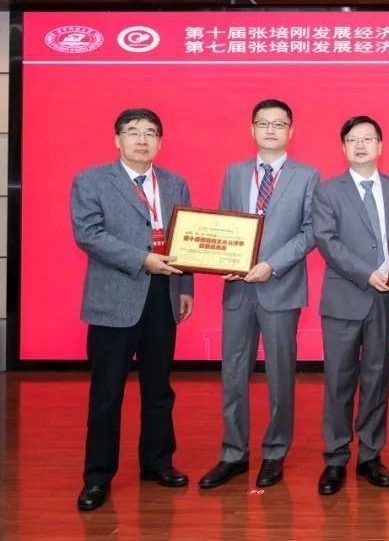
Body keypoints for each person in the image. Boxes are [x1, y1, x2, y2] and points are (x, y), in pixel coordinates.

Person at [71, 108, 194, 511]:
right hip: (114, 298)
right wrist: (142, 259)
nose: (142, 140)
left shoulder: (175, 183)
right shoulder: (91, 180)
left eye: (150, 133)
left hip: (164, 295)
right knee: (107, 393)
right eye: (133, 132)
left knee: (159, 388)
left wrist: (185, 286)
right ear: (117, 140)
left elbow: (186, 237)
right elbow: (89, 234)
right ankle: (97, 477)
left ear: (160, 141)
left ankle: (157, 463)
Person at [198, 99, 319, 490]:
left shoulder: (308, 176)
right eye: (263, 123)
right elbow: (223, 224)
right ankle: (233, 453)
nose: (270, 130)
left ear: (291, 131)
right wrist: (222, 260)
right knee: (233, 373)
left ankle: (274, 451)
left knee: (280, 374)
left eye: (279, 124)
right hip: (237, 288)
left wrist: (272, 264)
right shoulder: (235, 173)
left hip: (279, 285)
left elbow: (310, 232)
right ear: (251, 129)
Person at [312, 116, 389, 495]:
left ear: (380, 146)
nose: (360, 145)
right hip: (345, 297)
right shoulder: (327, 191)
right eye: (353, 140)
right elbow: (326, 241)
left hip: (387, 299)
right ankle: (335, 458)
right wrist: (366, 273)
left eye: (368, 139)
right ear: (343, 147)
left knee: (377, 379)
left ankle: (370, 454)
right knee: (339, 381)